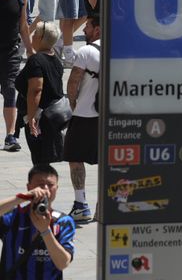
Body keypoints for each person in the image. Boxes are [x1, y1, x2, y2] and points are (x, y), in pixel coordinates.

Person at [0, 165, 75, 277]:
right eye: (40, 185)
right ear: (29, 187)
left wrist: (46, 231)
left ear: (57, 188)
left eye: (50, 185)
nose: (45, 189)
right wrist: (21, 197)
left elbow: (63, 263)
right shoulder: (14, 217)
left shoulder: (63, 222)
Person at [63, 14, 99, 225]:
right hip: (111, 117)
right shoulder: (119, 50)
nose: (84, 31)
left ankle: (81, 205)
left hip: (85, 114)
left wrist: (74, 104)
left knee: (75, 157)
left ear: (97, 30)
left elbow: (73, 82)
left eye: (87, 27)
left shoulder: (86, 51)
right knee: (110, 162)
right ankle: (103, 207)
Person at [17, 21, 64, 164]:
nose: (32, 36)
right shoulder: (55, 60)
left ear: (41, 38)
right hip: (50, 117)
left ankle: (42, 185)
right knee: (44, 158)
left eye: (35, 34)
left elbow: (36, 90)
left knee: (39, 160)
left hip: (39, 117)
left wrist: (31, 118)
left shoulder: (36, 61)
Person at [0, 0, 30, 154]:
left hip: (11, 53)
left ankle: (10, 136)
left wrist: (31, 50)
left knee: (11, 90)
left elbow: (23, 27)